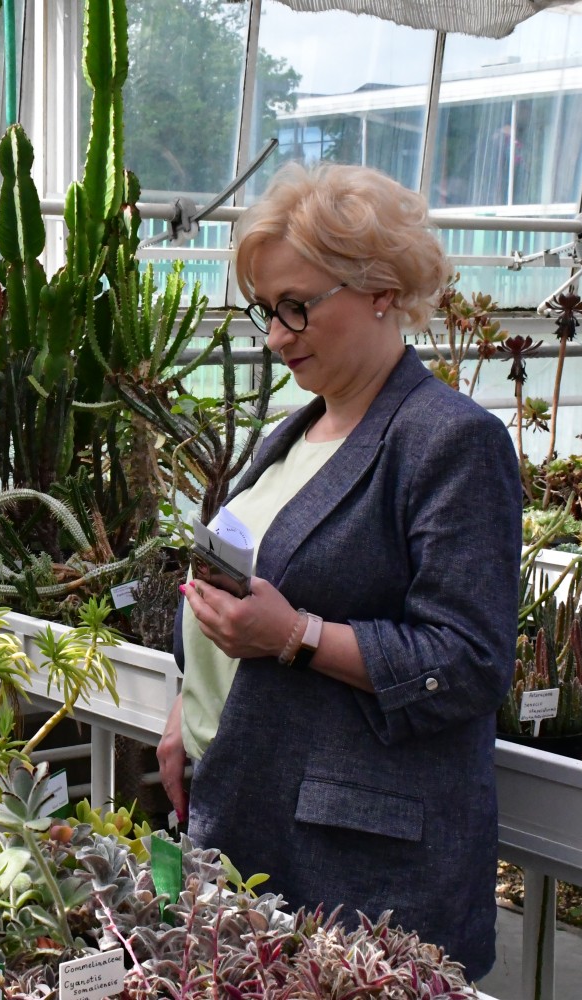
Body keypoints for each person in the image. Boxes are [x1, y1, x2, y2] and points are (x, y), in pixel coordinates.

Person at [156, 161, 521, 982]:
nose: (277, 336)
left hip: (353, 860)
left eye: (297, 305)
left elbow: (468, 661)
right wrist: (190, 707)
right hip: (243, 807)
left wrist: (298, 636)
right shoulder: (294, 433)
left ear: (382, 289)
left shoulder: (448, 440)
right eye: (266, 310)